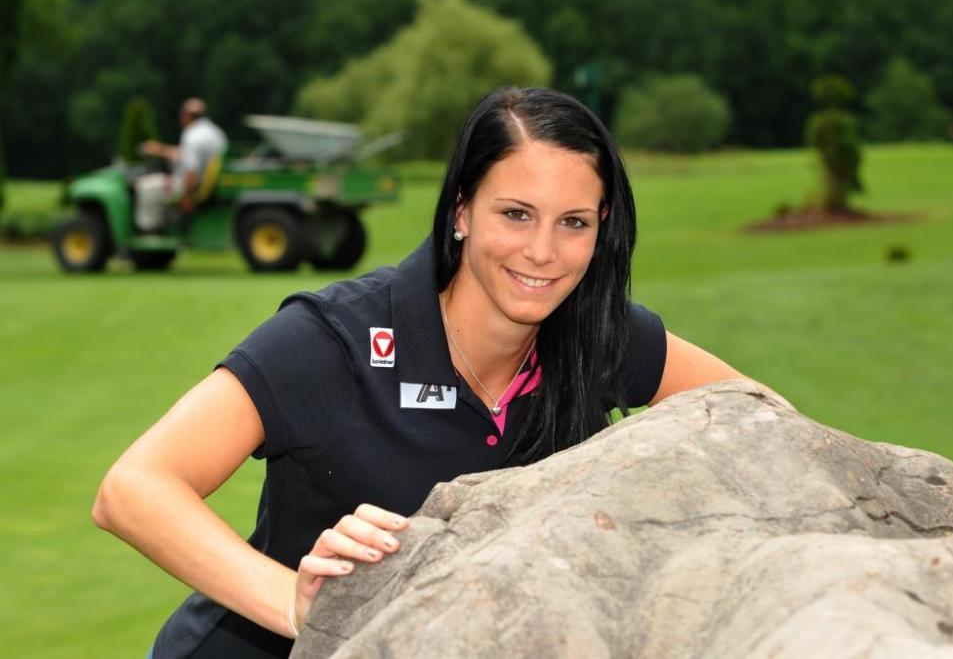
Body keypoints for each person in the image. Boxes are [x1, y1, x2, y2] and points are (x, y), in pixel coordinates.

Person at [93, 87, 770, 658]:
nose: (542, 251)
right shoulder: (338, 338)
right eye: (516, 214)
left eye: (573, 222)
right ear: (461, 211)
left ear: (603, 227)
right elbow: (133, 489)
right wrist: (294, 603)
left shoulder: (603, 337)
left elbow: (763, 424)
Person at [134, 97, 228, 232]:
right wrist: (159, 149)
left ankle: (148, 231)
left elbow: (191, 171)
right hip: (207, 184)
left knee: (145, 187)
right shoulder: (215, 133)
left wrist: (187, 196)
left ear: (186, 115)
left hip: (190, 186)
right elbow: (187, 155)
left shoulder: (192, 136)